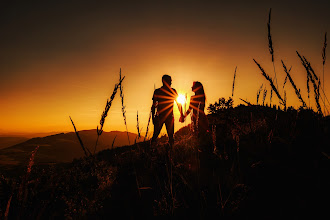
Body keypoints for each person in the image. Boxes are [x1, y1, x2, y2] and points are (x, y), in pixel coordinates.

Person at [151, 75, 183, 146]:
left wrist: (153, 117)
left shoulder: (158, 91)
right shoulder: (171, 91)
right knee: (169, 136)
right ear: (164, 81)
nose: (171, 82)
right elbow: (178, 104)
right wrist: (181, 114)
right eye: (170, 80)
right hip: (167, 116)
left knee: (158, 136)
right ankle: (169, 152)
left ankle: (153, 151)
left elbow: (153, 106)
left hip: (162, 116)